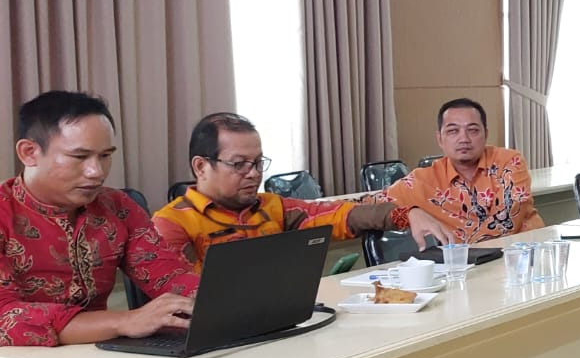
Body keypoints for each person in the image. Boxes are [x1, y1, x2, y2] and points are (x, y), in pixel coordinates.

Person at [0, 91, 199, 346]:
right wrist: (125, 321)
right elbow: (6, 316)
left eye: (105, 156)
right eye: (80, 157)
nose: (96, 172)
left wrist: (223, 301)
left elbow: (169, 275)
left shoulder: (117, 207)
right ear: (29, 152)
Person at [151, 113, 453, 270]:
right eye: (239, 164)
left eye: (257, 162)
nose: (254, 173)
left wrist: (404, 213)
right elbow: (182, 294)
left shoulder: (273, 208)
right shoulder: (171, 224)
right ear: (201, 167)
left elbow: (337, 215)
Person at [371, 98, 543, 243]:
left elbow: (506, 223)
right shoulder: (421, 181)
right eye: (453, 131)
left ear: (486, 134)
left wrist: (461, 250)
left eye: (473, 130)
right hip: (466, 270)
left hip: (526, 260)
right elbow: (368, 206)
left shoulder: (508, 161)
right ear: (440, 139)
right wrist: (409, 213)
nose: (464, 139)